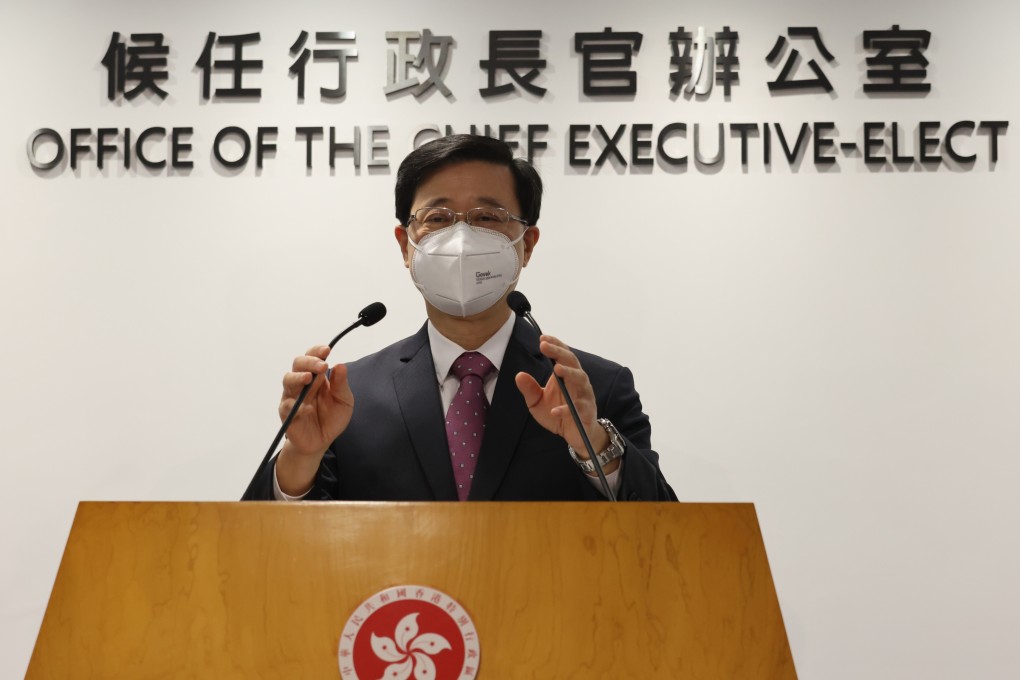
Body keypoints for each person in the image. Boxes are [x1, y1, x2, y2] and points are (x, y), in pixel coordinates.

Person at [242, 134, 675, 502]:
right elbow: (267, 550)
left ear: (528, 244)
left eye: (488, 217)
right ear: (405, 244)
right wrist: (302, 456)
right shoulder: (345, 395)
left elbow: (665, 533)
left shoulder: (593, 388)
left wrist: (591, 443)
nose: (462, 237)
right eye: (438, 218)